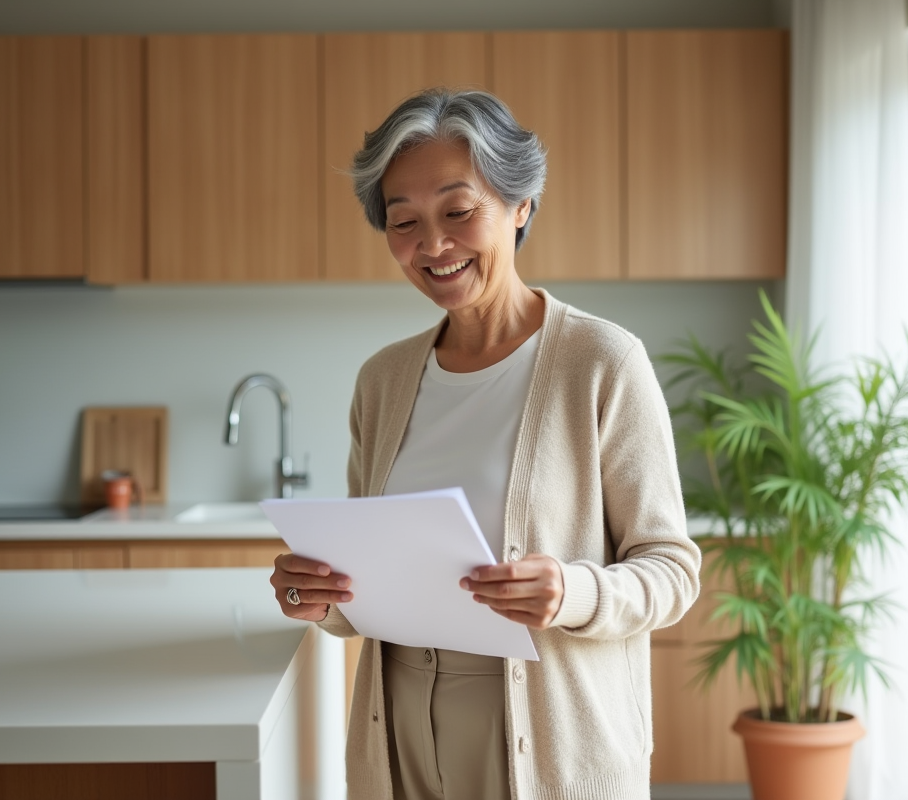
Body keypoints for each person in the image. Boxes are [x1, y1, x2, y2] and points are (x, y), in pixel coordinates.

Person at [269, 88, 701, 800]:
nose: (431, 245)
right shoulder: (382, 380)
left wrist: (572, 590)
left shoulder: (602, 362)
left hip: (549, 726)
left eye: (459, 212)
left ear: (521, 205)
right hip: (399, 720)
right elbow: (365, 590)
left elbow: (673, 571)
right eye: (402, 222)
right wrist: (319, 598)